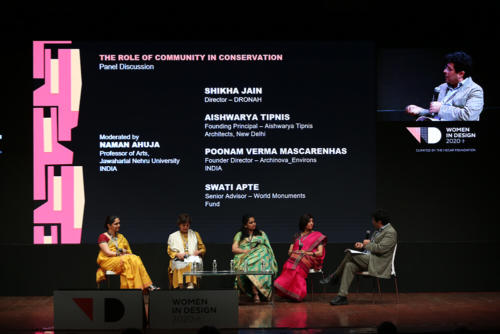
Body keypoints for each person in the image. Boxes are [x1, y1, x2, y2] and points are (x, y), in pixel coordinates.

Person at [320, 209, 397, 305]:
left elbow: (381, 249)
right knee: (349, 265)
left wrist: (367, 245)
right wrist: (362, 246)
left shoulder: (390, 232)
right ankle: (342, 296)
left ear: (379, 222)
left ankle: (335, 276)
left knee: (349, 254)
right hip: (369, 259)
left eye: (373, 220)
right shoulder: (378, 231)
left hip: (378, 262)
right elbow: (371, 247)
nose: (372, 222)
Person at [406, 51, 484, 121]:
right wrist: (420, 111)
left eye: (449, 69)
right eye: (446, 67)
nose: (444, 71)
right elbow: (436, 114)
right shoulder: (441, 87)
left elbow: (468, 116)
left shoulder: (474, 90)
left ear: (461, 74)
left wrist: (441, 108)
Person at [96, 215, 159, 290]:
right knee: (128, 260)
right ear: (109, 225)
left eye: (119, 223)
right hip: (107, 260)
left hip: (121, 259)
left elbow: (128, 251)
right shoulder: (103, 236)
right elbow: (107, 253)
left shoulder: (121, 236)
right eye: (116, 224)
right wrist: (121, 252)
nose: (119, 225)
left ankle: (144, 286)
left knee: (135, 258)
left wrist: (128, 254)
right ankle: (140, 287)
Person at [273, 214, 327, 301]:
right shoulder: (297, 236)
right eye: (309, 221)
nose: (312, 223)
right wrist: (295, 252)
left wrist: (306, 252)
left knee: (298, 264)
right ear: (304, 223)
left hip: (311, 258)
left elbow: (320, 253)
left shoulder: (317, 235)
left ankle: (297, 294)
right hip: (296, 257)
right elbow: (290, 251)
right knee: (288, 265)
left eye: (312, 221)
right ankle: (289, 293)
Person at [232, 214, 277, 303]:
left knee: (263, 251)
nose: (254, 224)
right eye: (251, 222)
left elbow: (268, 248)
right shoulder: (240, 234)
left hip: (260, 258)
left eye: (254, 222)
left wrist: (257, 251)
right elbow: (234, 249)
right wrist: (246, 251)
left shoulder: (261, 234)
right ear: (245, 225)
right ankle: (255, 292)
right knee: (251, 264)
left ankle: (256, 291)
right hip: (245, 257)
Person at [167, 213, 206, 289]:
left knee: (191, 263)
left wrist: (198, 252)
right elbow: (170, 251)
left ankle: (190, 284)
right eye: (183, 225)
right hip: (179, 258)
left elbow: (203, 248)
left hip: (192, 258)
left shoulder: (195, 234)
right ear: (179, 225)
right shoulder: (173, 236)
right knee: (179, 264)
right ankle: (180, 285)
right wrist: (177, 255)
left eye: (187, 225)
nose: (185, 227)